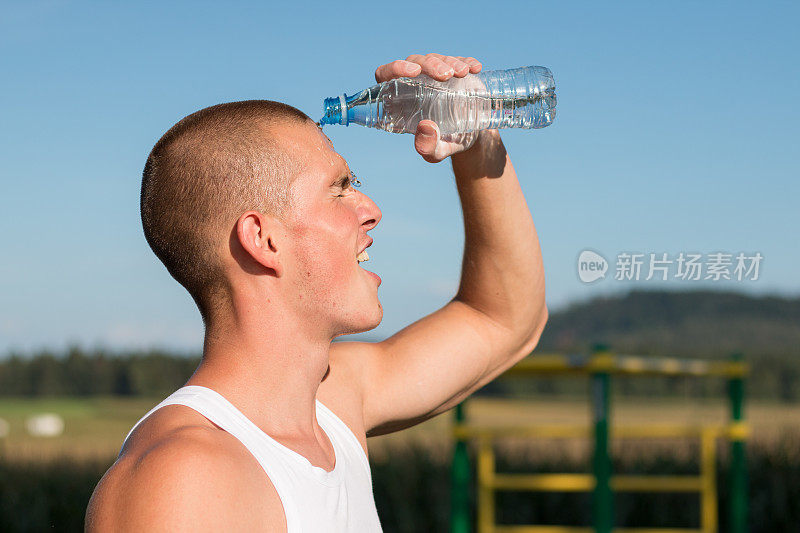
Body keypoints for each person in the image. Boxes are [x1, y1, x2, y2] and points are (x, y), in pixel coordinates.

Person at [85, 52, 547, 532]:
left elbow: (504, 322)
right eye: (340, 187)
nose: (371, 210)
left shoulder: (332, 401)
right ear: (264, 240)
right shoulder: (184, 477)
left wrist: (474, 135)